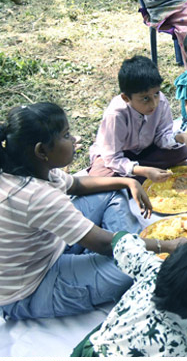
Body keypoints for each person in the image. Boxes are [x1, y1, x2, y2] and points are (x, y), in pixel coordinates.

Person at [0, 102, 161, 321]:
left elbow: (76, 185)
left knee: (113, 190)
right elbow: (104, 244)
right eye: (66, 135)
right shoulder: (37, 196)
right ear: (41, 150)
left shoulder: (26, 166)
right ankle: (122, 250)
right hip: (31, 287)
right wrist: (166, 245)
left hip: (49, 245)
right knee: (132, 268)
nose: (75, 139)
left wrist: (127, 182)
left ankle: (120, 248)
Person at [87, 240, 187, 357]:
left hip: (105, 340)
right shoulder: (171, 342)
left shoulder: (154, 269)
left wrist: (164, 245)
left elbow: (121, 240)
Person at [88, 56, 187, 182]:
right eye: (145, 98)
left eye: (156, 94)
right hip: (120, 155)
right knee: (99, 175)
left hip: (146, 150)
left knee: (182, 152)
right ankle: (143, 175)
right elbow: (112, 158)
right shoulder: (116, 115)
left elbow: (162, 136)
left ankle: (138, 178)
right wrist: (142, 170)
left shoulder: (161, 101)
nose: (154, 103)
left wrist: (181, 137)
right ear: (126, 98)